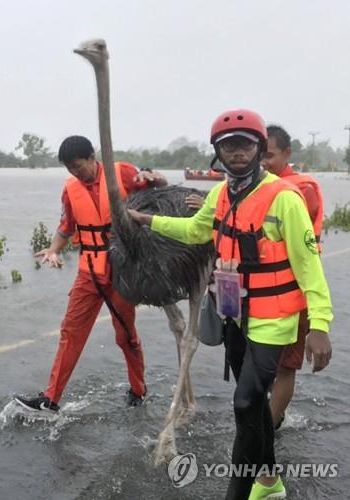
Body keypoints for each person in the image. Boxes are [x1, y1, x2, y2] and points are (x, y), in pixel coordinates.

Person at [129, 110, 332, 500]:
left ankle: (237, 493)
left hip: (275, 317)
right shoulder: (222, 194)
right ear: (218, 152)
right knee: (253, 403)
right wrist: (147, 220)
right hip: (234, 313)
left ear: (259, 149)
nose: (237, 152)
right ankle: (270, 481)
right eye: (228, 145)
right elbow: (195, 230)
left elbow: (310, 266)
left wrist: (320, 325)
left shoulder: (284, 198)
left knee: (243, 402)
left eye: (245, 144)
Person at [15, 135, 167, 413]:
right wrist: (53, 249)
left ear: (92, 156)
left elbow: (157, 189)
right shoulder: (71, 189)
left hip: (123, 270)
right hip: (89, 272)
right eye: (69, 168)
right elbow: (66, 227)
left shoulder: (121, 172)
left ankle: (138, 389)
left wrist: (160, 181)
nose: (75, 172)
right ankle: (51, 398)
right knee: (70, 331)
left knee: (125, 336)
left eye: (78, 165)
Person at [262, 125, 324, 430]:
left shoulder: (301, 191)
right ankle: (269, 417)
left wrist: (319, 322)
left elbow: (305, 257)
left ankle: (267, 431)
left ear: (288, 154)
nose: (262, 162)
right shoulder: (256, 187)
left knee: (285, 368)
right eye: (258, 154)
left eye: (269, 155)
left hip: (293, 295)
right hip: (261, 296)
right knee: (262, 366)